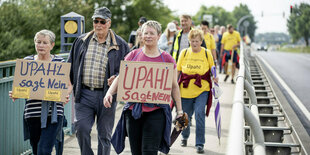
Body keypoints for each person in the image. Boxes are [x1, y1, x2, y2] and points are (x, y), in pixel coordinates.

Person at [104, 20, 183, 155]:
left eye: (152, 33)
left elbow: (174, 86)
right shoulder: (133, 55)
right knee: (136, 152)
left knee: (149, 151)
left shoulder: (167, 59)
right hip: (133, 112)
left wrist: (180, 110)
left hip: (156, 112)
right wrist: (109, 93)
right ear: (141, 35)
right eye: (145, 33)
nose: (148, 36)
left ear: (159, 36)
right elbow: (121, 77)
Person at [67, 7, 129, 155]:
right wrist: (65, 90)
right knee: (81, 129)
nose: (98, 24)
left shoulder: (121, 45)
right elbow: (68, 67)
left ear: (109, 23)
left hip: (107, 96)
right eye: (96, 21)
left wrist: (116, 78)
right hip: (84, 94)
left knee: (104, 136)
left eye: (102, 21)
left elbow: (126, 71)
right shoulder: (81, 41)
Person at [9, 29, 71, 155]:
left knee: (44, 150)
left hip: (53, 113)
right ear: (35, 43)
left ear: (52, 45)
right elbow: (22, 85)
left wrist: (65, 94)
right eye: (38, 42)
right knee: (36, 150)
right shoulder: (28, 61)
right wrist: (16, 94)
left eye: (45, 42)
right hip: (32, 113)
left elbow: (69, 86)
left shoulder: (59, 62)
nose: (41, 45)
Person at [177, 29, 218, 154]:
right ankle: (184, 136)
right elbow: (178, 70)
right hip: (185, 89)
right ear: (189, 41)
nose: (194, 43)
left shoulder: (206, 53)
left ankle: (200, 143)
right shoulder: (184, 53)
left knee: (200, 113)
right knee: (185, 115)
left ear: (201, 41)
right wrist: (173, 84)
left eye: (197, 41)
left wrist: (215, 76)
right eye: (192, 41)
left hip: (202, 89)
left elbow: (212, 67)